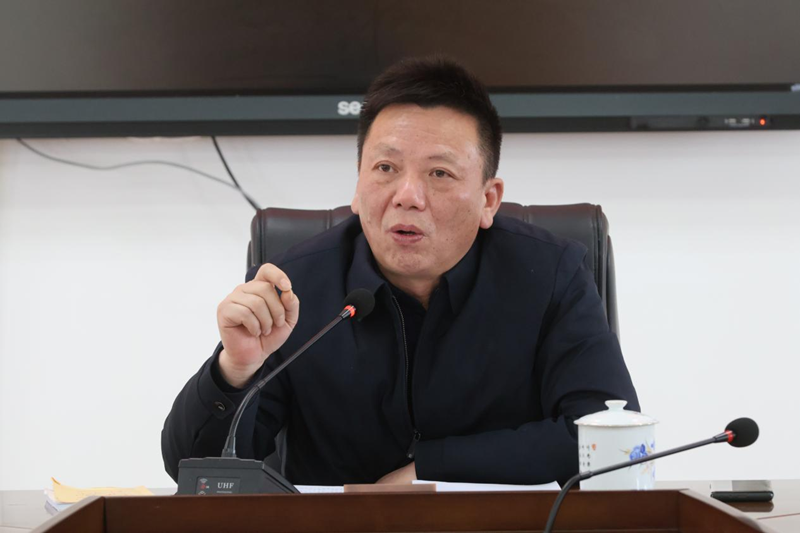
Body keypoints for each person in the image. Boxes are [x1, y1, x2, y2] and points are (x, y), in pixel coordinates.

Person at [161, 56, 639, 486]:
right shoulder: (296, 286)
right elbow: (194, 470)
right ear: (357, 186)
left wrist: (433, 467)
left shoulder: (551, 275)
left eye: (439, 173)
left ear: (488, 199)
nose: (407, 196)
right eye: (386, 168)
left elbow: (605, 440)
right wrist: (235, 370)